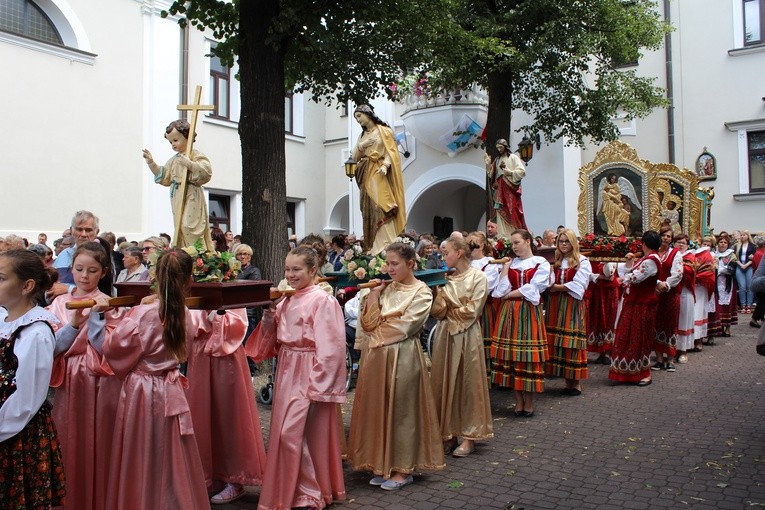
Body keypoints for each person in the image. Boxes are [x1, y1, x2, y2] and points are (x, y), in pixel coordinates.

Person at [99, 250, 209, 509]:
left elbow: (115, 349)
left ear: (155, 276)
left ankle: (141, 499)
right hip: (170, 386)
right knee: (170, 452)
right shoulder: (184, 312)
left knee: (142, 450)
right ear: (189, 279)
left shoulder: (143, 313)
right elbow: (186, 350)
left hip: (142, 389)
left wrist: (109, 318)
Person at [246, 246, 347, 509]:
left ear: (313, 270)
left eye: (296, 270)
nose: (290, 275)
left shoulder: (323, 301)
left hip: (308, 370)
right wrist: (269, 312)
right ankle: (297, 490)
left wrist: (319, 384)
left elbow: (332, 346)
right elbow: (272, 338)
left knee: (292, 434)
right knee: (286, 433)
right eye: (287, 269)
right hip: (288, 368)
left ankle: (310, 492)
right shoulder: (287, 300)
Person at [348, 242, 444, 490]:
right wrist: (374, 296)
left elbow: (407, 326)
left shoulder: (422, 292)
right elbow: (368, 325)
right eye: (387, 263)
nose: (388, 269)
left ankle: (403, 468)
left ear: (410, 264)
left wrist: (378, 334)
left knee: (402, 411)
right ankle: (382, 463)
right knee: (379, 408)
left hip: (402, 357)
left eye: (394, 264)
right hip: (377, 357)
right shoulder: (386, 289)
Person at [46, 241, 123, 510]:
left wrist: (99, 318)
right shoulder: (59, 303)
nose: (84, 276)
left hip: (103, 379)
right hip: (72, 379)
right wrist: (73, 325)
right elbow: (52, 347)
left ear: (103, 272)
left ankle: (103, 498)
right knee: (71, 437)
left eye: (91, 271)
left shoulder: (111, 303)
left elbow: (111, 349)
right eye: (79, 269)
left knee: (103, 438)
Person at [0, 249, 66, 508]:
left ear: (26, 286)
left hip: (14, 433)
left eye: (1, 278)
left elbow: (28, 399)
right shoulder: (3, 319)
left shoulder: (36, 332)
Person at [185, 307, 267, 504]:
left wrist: (215, 315)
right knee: (202, 414)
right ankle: (210, 475)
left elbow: (238, 326)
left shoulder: (230, 290)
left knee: (229, 415)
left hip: (225, 355)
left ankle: (235, 479)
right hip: (200, 355)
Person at [430, 236, 491, 458]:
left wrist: (449, 307)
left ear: (460, 253)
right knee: (445, 381)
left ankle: (469, 436)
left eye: (446, 252)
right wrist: (441, 297)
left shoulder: (479, 277)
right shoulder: (444, 279)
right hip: (446, 335)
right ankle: (449, 432)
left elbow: (472, 311)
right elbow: (436, 312)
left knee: (468, 382)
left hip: (466, 335)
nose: (442, 257)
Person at [491, 229, 550, 416]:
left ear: (527, 241)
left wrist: (510, 294)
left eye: (516, 242)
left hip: (528, 311)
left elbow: (534, 288)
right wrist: (506, 269)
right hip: (509, 312)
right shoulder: (512, 264)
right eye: (512, 244)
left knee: (528, 357)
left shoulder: (541, 263)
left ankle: (529, 402)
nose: (513, 247)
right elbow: (499, 291)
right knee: (513, 356)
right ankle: (518, 401)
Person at [143, 119, 215, 251]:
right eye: (170, 142)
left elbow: (206, 172)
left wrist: (189, 164)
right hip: (177, 194)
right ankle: (184, 251)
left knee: (189, 226)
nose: (173, 144)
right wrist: (151, 163)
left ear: (188, 137)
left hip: (191, 193)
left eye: (176, 140)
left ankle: (198, 253)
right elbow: (164, 175)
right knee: (179, 226)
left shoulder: (195, 155)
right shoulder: (174, 160)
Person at [608, 231, 662, 386]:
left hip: (643, 304)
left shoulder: (651, 260)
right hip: (635, 302)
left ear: (644, 244)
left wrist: (620, 279)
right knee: (629, 335)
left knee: (639, 337)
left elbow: (637, 277)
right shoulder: (647, 258)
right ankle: (627, 372)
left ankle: (644, 373)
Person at [351, 105, 407, 254]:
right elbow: (354, 157)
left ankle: (386, 243)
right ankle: (372, 245)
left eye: (359, 116)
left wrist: (386, 165)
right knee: (367, 206)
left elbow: (392, 151)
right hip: (364, 171)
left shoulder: (384, 131)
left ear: (368, 114)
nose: (358, 120)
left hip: (379, 171)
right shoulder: (362, 136)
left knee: (382, 205)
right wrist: (362, 146)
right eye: (356, 118)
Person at [545, 229, 592, 395]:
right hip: (555, 305)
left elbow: (579, 285)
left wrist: (556, 287)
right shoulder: (555, 261)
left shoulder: (582, 261)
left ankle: (576, 382)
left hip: (571, 304)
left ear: (573, 243)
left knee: (571, 342)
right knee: (558, 341)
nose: (563, 244)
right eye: (561, 241)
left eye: (566, 241)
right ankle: (567, 381)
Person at [467, 231, 502, 376]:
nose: (470, 248)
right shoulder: (465, 264)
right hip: (466, 307)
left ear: (481, 245)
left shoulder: (490, 263)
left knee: (484, 337)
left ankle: (488, 374)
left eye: (473, 244)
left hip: (483, 307)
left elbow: (487, 286)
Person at [652, 226, 683, 372]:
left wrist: (666, 285)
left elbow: (678, 273)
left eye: (668, 236)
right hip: (656, 294)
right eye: (663, 235)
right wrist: (658, 285)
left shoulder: (676, 253)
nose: (665, 238)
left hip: (671, 294)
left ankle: (670, 359)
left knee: (670, 325)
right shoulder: (654, 254)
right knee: (656, 324)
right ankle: (659, 359)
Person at [484, 139, 527, 237]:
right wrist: (487, 165)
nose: (499, 149)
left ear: (505, 147)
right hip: (499, 189)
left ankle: (512, 233)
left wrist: (510, 173)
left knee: (512, 211)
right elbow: (492, 175)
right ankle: (502, 235)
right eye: (497, 148)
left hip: (510, 189)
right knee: (499, 210)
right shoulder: (497, 160)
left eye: (501, 147)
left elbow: (522, 172)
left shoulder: (513, 158)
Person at [51, 210, 100, 291]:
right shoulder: (63, 255)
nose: (83, 234)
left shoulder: (102, 256)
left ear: (96, 232)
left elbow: (104, 291)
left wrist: (69, 290)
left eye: (88, 230)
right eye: (79, 229)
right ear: (71, 230)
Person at [234, 243, 262, 375]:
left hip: (248, 312)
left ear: (250, 257)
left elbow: (252, 290)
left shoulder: (253, 271)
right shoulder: (233, 270)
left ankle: (251, 370)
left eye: (245, 254)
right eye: (239, 254)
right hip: (234, 312)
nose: (242, 257)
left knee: (247, 342)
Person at [586, 261, 619, 364]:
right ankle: (601, 351)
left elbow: (609, 274)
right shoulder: (588, 258)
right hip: (596, 291)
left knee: (609, 319)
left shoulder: (611, 258)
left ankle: (608, 352)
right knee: (596, 319)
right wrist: (600, 277)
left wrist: (606, 262)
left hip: (609, 292)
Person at [709, 234, 738, 337]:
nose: (723, 244)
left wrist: (721, 270)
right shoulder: (714, 254)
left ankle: (728, 328)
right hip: (717, 282)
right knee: (719, 304)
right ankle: (720, 326)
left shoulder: (731, 255)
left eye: (725, 242)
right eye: (721, 242)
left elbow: (732, 269)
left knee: (728, 305)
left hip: (727, 282)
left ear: (728, 244)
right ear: (717, 244)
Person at [694, 236, 716, 348]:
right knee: (692, 315)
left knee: (700, 312)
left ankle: (699, 340)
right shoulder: (692, 254)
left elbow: (709, 272)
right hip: (691, 287)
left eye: (708, 244)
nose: (706, 246)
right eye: (704, 244)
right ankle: (691, 340)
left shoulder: (709, 256)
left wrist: (696, 277)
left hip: (702, 287)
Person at [735, 230, 756, 313]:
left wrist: (746, 265)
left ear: (748, 236)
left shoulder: (753, 246)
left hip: (749, 266)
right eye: (741, 235)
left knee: (749, 286)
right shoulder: (737, 245)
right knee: (742, 287)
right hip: (740, 266)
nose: (742, 236)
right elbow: (735, 257)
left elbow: (754, 257)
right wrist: (741, 265)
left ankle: (749, 305)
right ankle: (743, 305)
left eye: (744, 235)